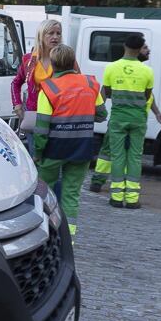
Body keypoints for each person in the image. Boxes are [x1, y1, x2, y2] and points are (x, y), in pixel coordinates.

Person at [33, 44, 104, 236]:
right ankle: (68, 238)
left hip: (54, 150)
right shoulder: (90, 84)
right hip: (82, 148)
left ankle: (44, 234)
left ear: (53, 65)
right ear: (74, 62)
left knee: (43, 194)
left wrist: (38, 153)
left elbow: (41, 129)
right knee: (71, 194)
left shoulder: (48, 88)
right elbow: (101, 115)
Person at [99, 34, 161, 209]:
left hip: (118, 118)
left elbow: (106, 92)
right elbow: (147, 96)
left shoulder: (111, 68)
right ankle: (132, 199)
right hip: (138, 119)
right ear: (139, 49)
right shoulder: (147, 71)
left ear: (124, 46)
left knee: (118, 156)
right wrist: (156, 113)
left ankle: (116, 197)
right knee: (135, 157)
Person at [12, 19, 62, 130]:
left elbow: (76, 84)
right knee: (34, 141)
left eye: (58, 33)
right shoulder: (29, 59)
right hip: (33, 115)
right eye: (51, 33)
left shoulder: (66, 59)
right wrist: (17, 104)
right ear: (41, 35)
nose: (55, 37)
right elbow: (15, 83)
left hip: (58, 116)